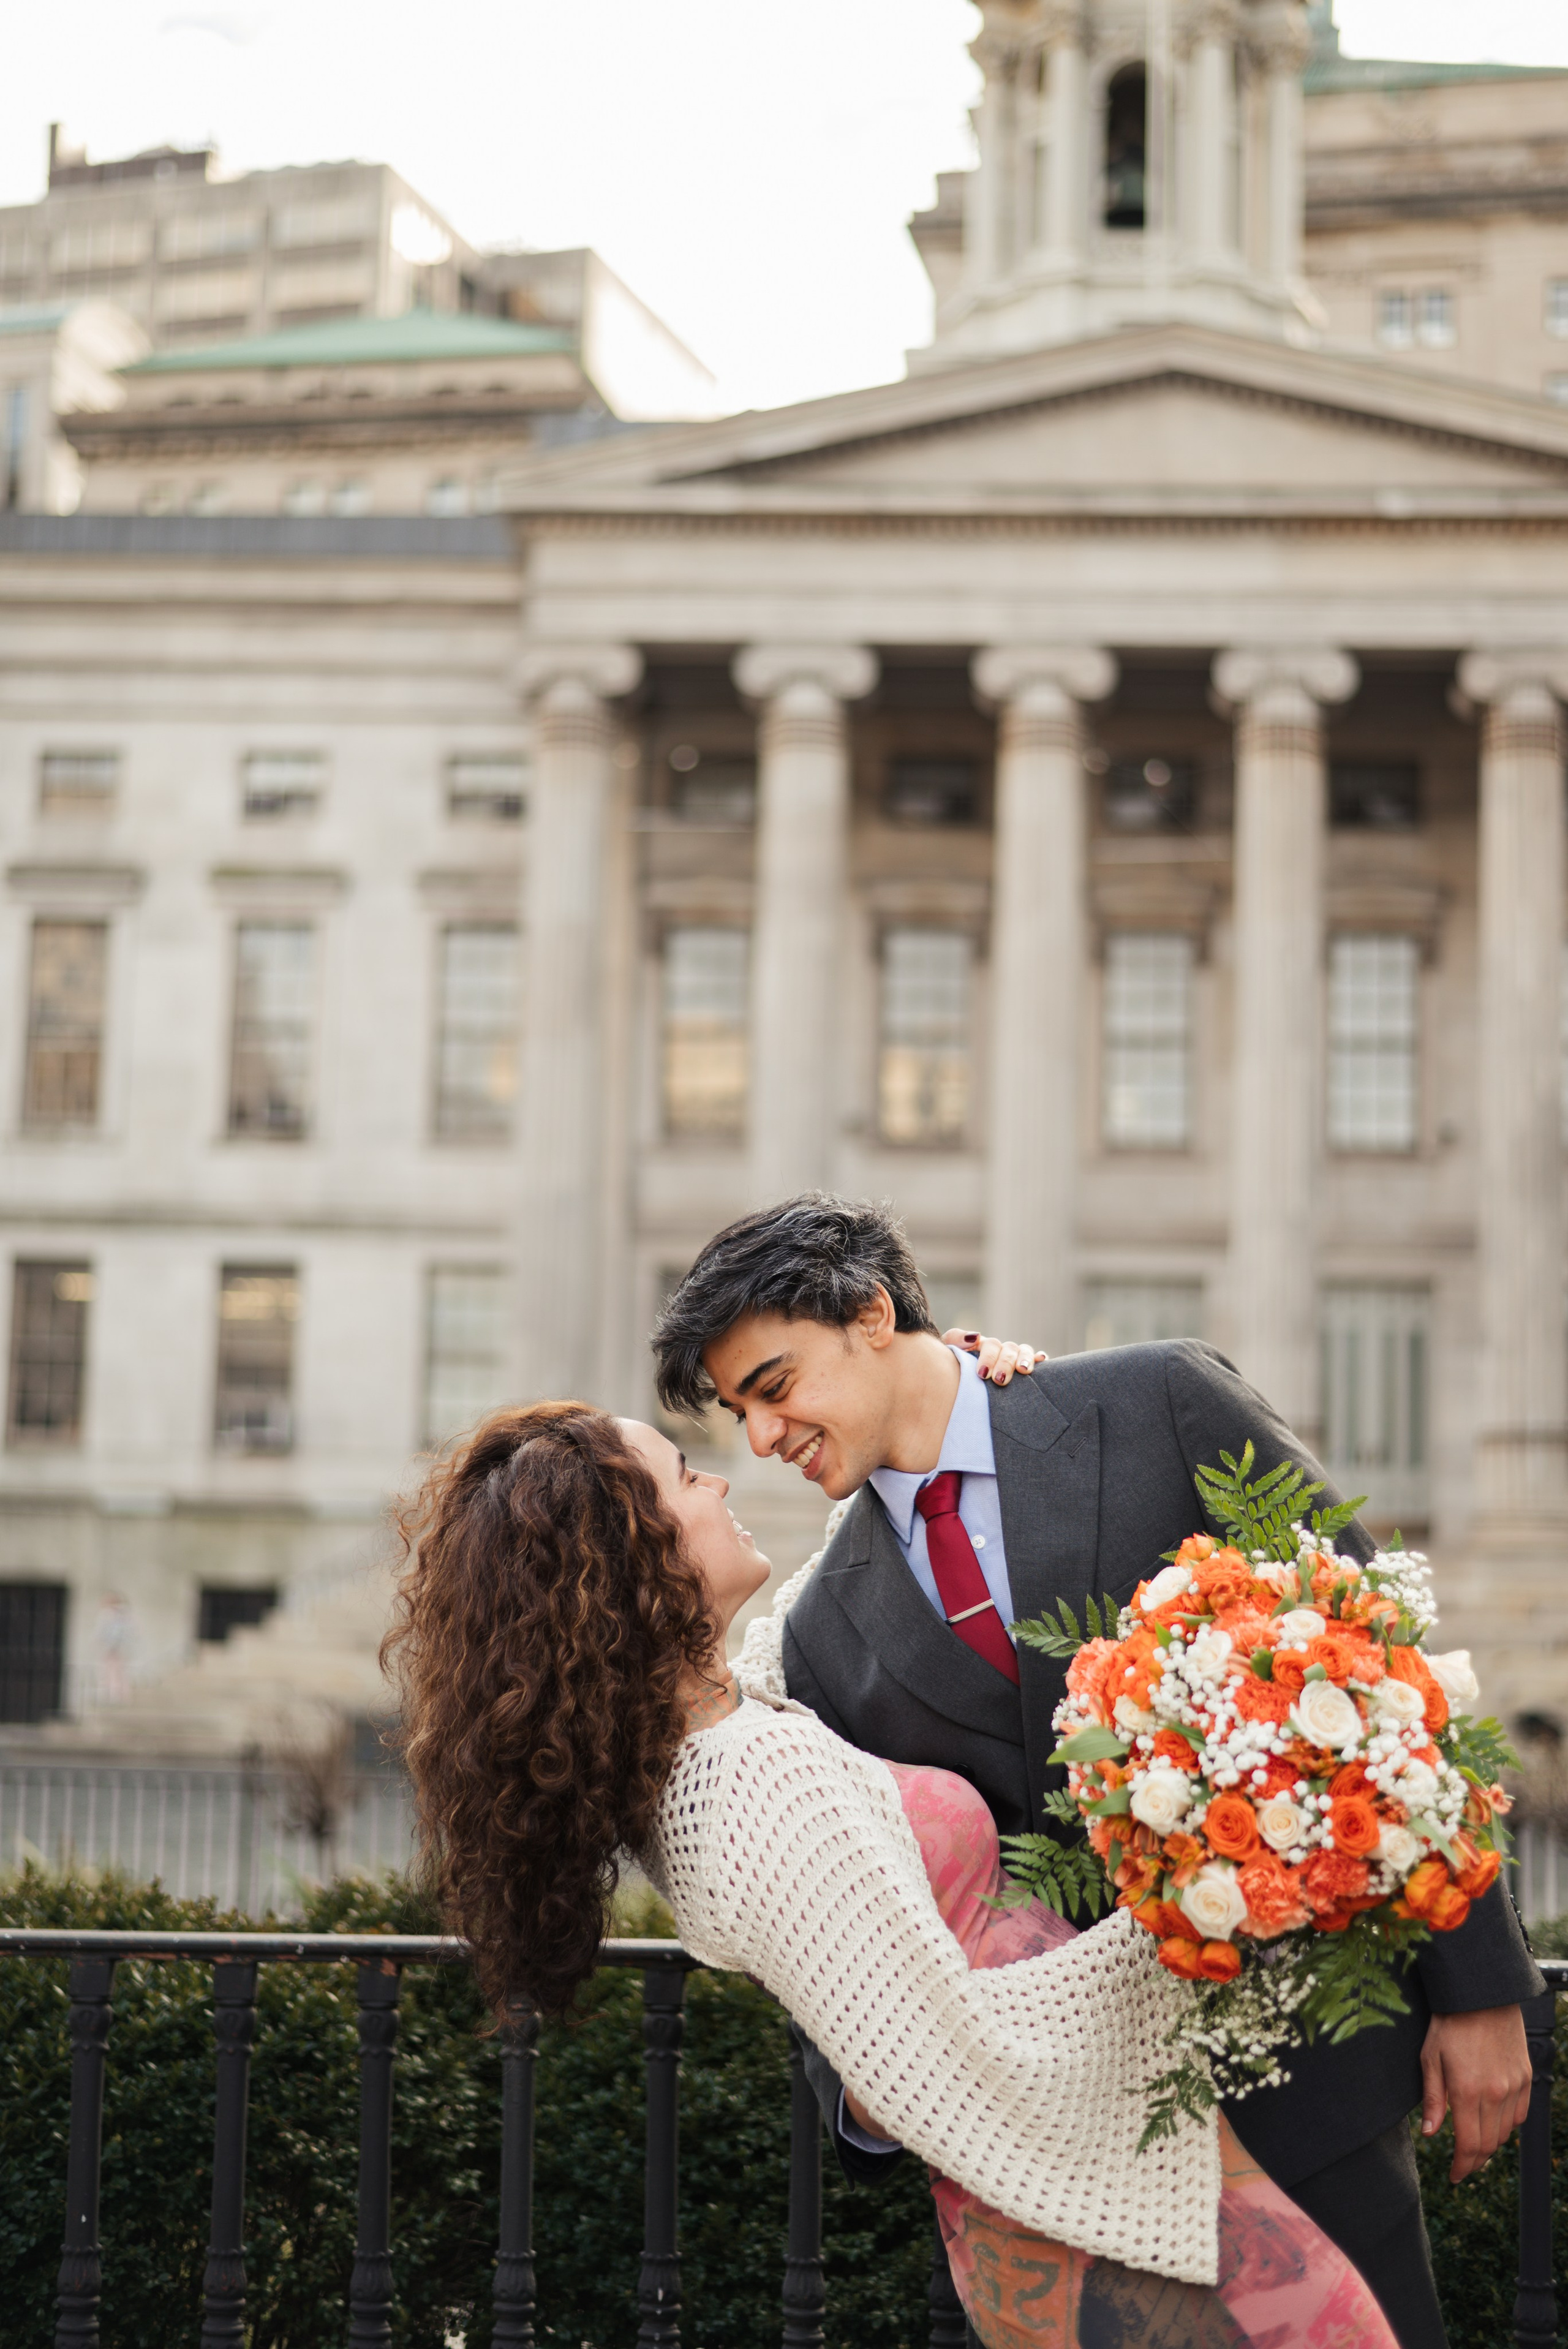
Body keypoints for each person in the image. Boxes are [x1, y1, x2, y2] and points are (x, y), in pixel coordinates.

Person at [650, 1193, 1544, 2349]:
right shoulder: (820, 1632)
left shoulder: (1161, 1399)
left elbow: (1386, 1670)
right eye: (739, 1413)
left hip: (1308, 2075)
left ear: (870, 1313)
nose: (763, 1438)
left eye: (774, 1387)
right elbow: (845, 1923)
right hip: (1063, 2165)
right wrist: (876, 2098)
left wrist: (1480, 1988)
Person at [386, 1398, 1399, 2349]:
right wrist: (1198, 1887)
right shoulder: (762, 1779)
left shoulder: (697, 1742)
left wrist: (924, 1411)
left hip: (1062, 2195)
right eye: (686, 1477)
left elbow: (787, 1628)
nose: (720, 1483)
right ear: (629, 1556)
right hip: (1103, 2216)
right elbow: (936, 2056)